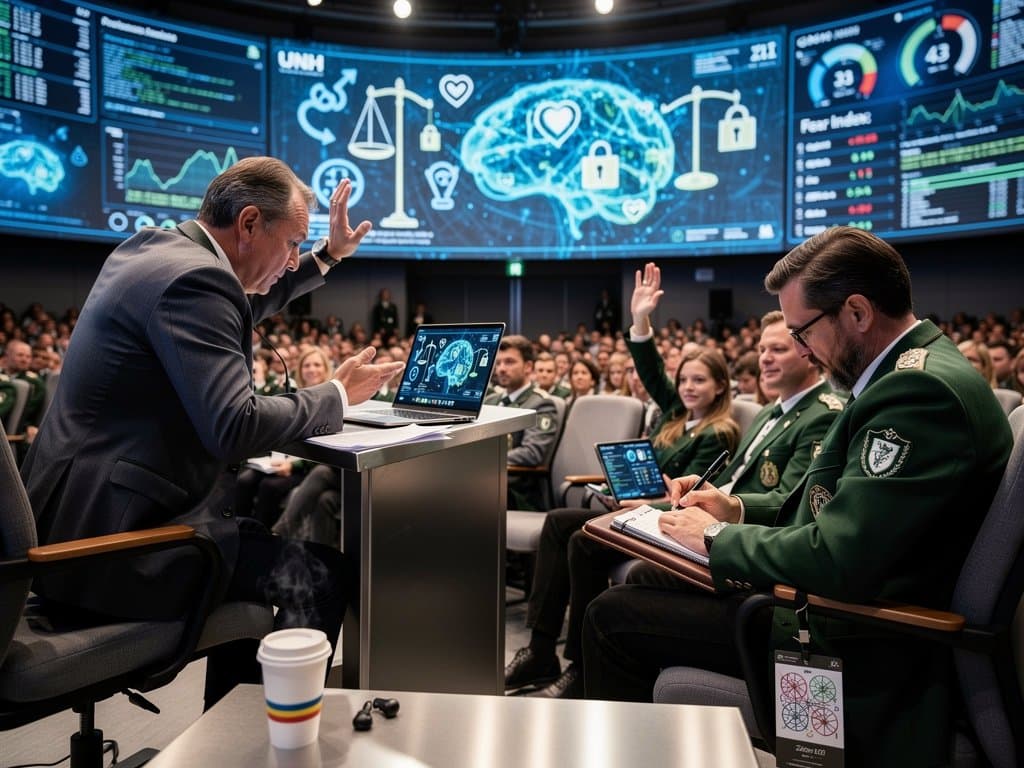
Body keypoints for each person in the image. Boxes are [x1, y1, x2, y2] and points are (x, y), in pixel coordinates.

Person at [581, 228, 1012, 767]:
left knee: (611, 617)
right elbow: (839, 508)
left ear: (857, 313)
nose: (803, 349)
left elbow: (839, 557)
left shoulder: (917, 393)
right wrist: (736, 508)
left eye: (802, 332)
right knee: (645, 582)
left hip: (855, 640)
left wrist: (715, 536)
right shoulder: (907, 373)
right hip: (839, 606)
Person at [21, 157, 405, 708]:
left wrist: (327, 255)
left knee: (257, 551)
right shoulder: (197, 282)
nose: (292, 259)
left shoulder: (154, 251)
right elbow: (235, 425)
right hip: (116, 552)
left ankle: (236, 733)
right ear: (248, 223)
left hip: (73, 526)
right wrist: (338, 395)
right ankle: (265, 737)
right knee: (323, 576)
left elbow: (246, 299)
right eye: (293, 243)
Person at [504, 268, 742, 698]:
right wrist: (640, 320)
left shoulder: (719, 432)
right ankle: (540, 650)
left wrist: (647, 501)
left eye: (700, 380)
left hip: (665, 523)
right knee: (558, 522)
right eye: (683, 380)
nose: (688, 388)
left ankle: (580, 665)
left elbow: (695, 502)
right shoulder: (676, 415)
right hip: (637, 510)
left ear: (721, 386)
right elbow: (650, 370)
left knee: (582, 540)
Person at [484, 335, 563, 511]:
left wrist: (484, 460)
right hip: (487, 482)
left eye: (509, 362)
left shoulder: (540, 403)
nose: (501, 369)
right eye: (498, 363)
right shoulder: (490, 401)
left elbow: (532, 453)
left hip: (516, 492)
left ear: (528, 366)